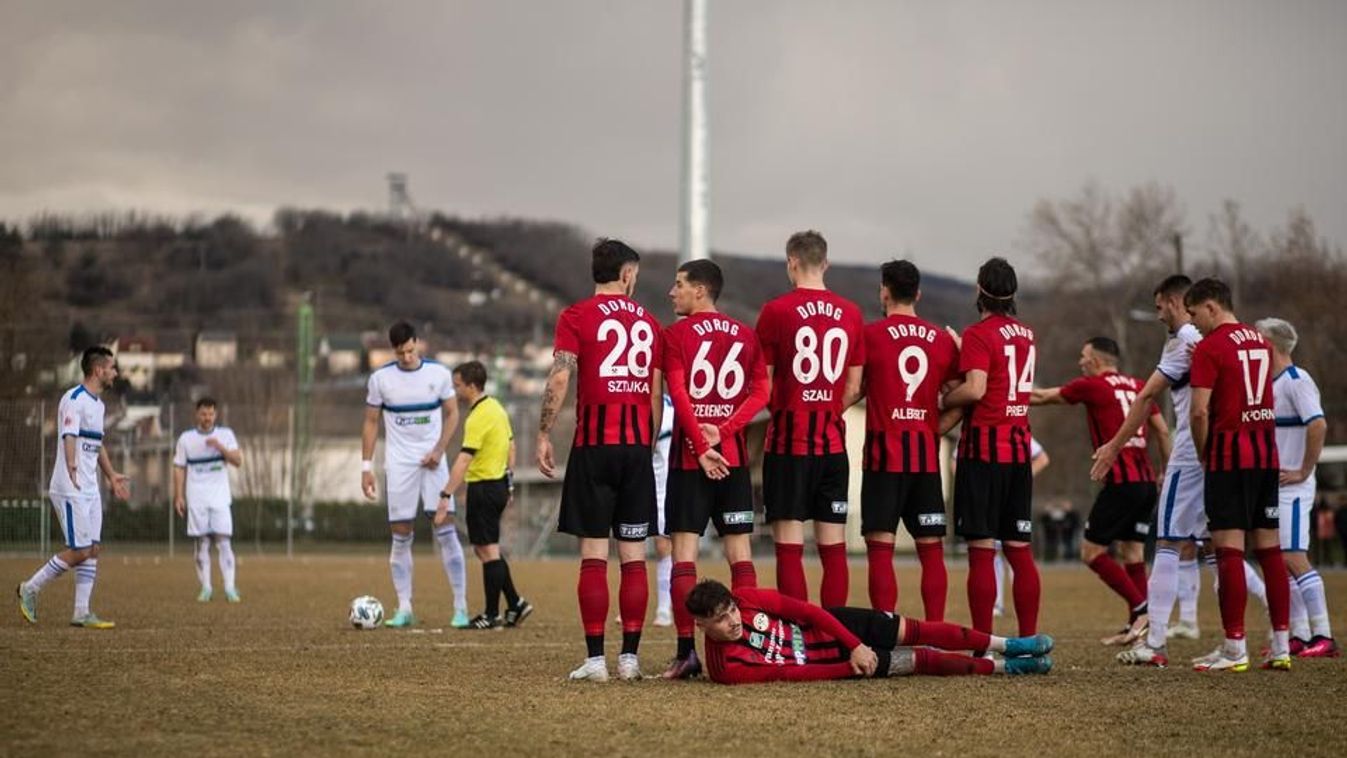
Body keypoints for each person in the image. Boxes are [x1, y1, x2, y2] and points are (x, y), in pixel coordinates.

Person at [537, 238, 664, 682]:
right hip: (635, 450)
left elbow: (559, 379)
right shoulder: (649, 322)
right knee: (634, 555)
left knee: (593, 553)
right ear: (627, 274)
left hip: (593, 448)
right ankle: (629, 659)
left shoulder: (575, 316)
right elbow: (654, 392)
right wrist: (646, 446)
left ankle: (595, 661)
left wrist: (544, 433)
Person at [660, 259, 770, 679]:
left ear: (701, 290)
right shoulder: (746, 334)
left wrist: (701, 443)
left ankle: (687, 651)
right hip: (734, 460)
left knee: (683, 556)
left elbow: (679, 394)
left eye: (679, 285)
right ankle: (750, 644)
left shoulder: (676, 335)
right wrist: (724, 431)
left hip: (691, 460)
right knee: (739, 554)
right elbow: (762, 392)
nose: (672, 292)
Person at [1183, 278, 1291, 671]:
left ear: (1211, 307)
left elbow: (1199, 411)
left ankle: (1234, 649)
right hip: (1266, 454)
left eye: (1195, 314)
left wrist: (1203, 453)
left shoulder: (1210, 347)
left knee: (1227, 550)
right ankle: (1281, 645)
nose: (1195, 324)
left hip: (1229, 456)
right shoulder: (1261, 342)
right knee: (1270, 550)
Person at [1032, 337, 1168, 645]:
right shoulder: (1138, 384)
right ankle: (1140, 626)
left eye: (1083, 356)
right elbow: (1160, 429)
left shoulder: (1093, 385)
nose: (1080, 362)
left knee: (1091, 552)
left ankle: (1143, 609)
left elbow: (1042, 396)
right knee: (1131, 552)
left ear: (1096, 360)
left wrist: (998, 393)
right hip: (1146, 483)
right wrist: (1165, 470)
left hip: (1121, 484)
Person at [754, 230, 865, 605]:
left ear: (792, 262)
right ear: (826, 263)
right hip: (833, 447)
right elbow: (853, 385)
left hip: (788, 444)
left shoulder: (775, 311)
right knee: (833, 550)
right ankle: (835, 636)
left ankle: (799, 636)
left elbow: (763, 383)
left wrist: (788, 408)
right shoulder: (851, 313)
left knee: (789, 547)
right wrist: (827, 409)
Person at [685, 579, 1054, 684]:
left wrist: (855, 643)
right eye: (720, 618)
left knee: (918, 629)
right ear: (701, 625)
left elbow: (808, 611)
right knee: (921, 661)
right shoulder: (725, 669)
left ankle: (1009, 644)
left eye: (731, 609)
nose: (733, 620)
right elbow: (790, 673)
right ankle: (1008, 668)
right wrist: (850, 665)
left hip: (842, 625)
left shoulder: (747, 597)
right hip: (837, 661)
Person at [854, 260, 960, 620]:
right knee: (931, 551)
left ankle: (886, 631)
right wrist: (935, 428)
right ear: (918, 293)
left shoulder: (869, 335)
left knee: (880, 549)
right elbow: (964, 395)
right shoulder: (943, 341)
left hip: (884, 458)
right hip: (925, 459)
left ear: (884, 291)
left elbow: (854, 388)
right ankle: (936, 633)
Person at [942, 257, 1040, 637]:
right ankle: (1029, 639)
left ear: (979, 290)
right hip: (1018, 452)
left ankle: (983, 641)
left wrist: (944, 401)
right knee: (1019, 549)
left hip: (983, 453)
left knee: (981, 551)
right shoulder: (1026, 334)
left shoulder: (979, 335)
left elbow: (977, 389)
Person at [361, 321, 469, 629]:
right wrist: (365, 468)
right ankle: (405, 606)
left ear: (417, 343)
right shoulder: (380, 379)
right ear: (392, 350)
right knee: (401, 534)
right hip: (399, 465)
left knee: (446, 529)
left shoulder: (438, 373)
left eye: (410, 350)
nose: (407, 357)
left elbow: (452, 414)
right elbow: (370, 422)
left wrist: (439, 449)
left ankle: (460, 607)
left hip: (434, 464)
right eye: (400, 352)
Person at [17, 346, 131, 628]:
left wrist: (111, 475)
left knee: (92, 549)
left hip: (90, 489)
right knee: (80, 550)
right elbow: (69, 435)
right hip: (70, 487)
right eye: (112, 368)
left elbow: (96, 444)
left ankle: (81, 612)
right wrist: (70, 464)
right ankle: (29, 588)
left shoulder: (99, 405)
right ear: (98, 370)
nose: (115, 373)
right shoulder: (74, 398)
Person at [1256, 317, 1336, 657]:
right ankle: (1300, 634)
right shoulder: (1269, 385)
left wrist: (1304, 469)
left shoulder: (1296, 380)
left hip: (1292, 487)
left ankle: (1324, 635)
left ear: (1270, 346)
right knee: (1277, 559)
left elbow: (1318, 424)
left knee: (1293, 556)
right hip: (1275, 486)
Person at [436, 361, 533, 630]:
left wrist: (446, 494)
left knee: (488, 550)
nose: (455, 391)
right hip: (499, 485)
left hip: (484, 487)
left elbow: (464, 460)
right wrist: (509, 485)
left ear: (471, 386)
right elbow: (511, 449)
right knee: (485, 549)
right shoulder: (497, 408)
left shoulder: (478, 416)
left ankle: (492, 615)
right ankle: (515, 604)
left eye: (457, 386)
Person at [173, 397, 244, 603]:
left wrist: (220, 448)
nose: (207, 418)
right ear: (197, 414)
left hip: (220, 498)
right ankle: (206, 588)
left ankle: (230, 588)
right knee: (202, 542)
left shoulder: (225, 435)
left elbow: (238, 461)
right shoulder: (186, 439)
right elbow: (179, 467)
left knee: (224, 541)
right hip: (196, 498)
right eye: (204, 414)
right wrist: (178, 496)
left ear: (216, 414)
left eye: (211, 414)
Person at [993, 437, 1050, 617]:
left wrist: (1022, 478)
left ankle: (1023, 605)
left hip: (1014, 498)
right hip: (990, 497)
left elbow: (1042, 458)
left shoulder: (1017, 430)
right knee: (993, 551)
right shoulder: (978, 429)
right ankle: (998, 603)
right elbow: (955, 460)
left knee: (1016, 552)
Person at [651, 393, 675, 627]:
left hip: (682, 481)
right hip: (658, 484)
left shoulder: (674, 404)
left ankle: (671, 605)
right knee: (661, 544)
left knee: (683, 545)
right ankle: (663, 608)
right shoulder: (651, 401)